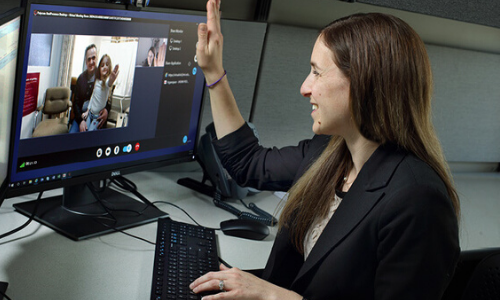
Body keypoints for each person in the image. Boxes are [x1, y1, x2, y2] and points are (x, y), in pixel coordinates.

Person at [189, 1, 460, 300]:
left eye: (317, 73)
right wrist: (213, 72)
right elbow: (247, 162)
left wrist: (273, 296)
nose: (305, 88)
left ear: (364, 84)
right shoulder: (329, 151)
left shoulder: (418, 201)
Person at [69, 44, 110, 133]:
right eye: (89, 59)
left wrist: (106, 110)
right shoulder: (80, 78)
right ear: (86, 61)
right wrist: (81, 121)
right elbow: (75, 103)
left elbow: (108, 100)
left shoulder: (102, 76)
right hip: (81, 116)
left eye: (93, 58)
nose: (91, 61)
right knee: (71, 137)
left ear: (97, 58)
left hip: (97, 116)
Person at [82, 54, 119, 131]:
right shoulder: (97, 81)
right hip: (90, 114)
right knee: (84, 133)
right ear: (99, 68)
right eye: (102, 65)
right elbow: (93, 96)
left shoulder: (106, 83)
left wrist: (112, 79)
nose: (105, 67)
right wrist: (87, 111)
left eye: (107, 65)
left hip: (97, 117)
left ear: (109, 67)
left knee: (90, 133)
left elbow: (109, 83)